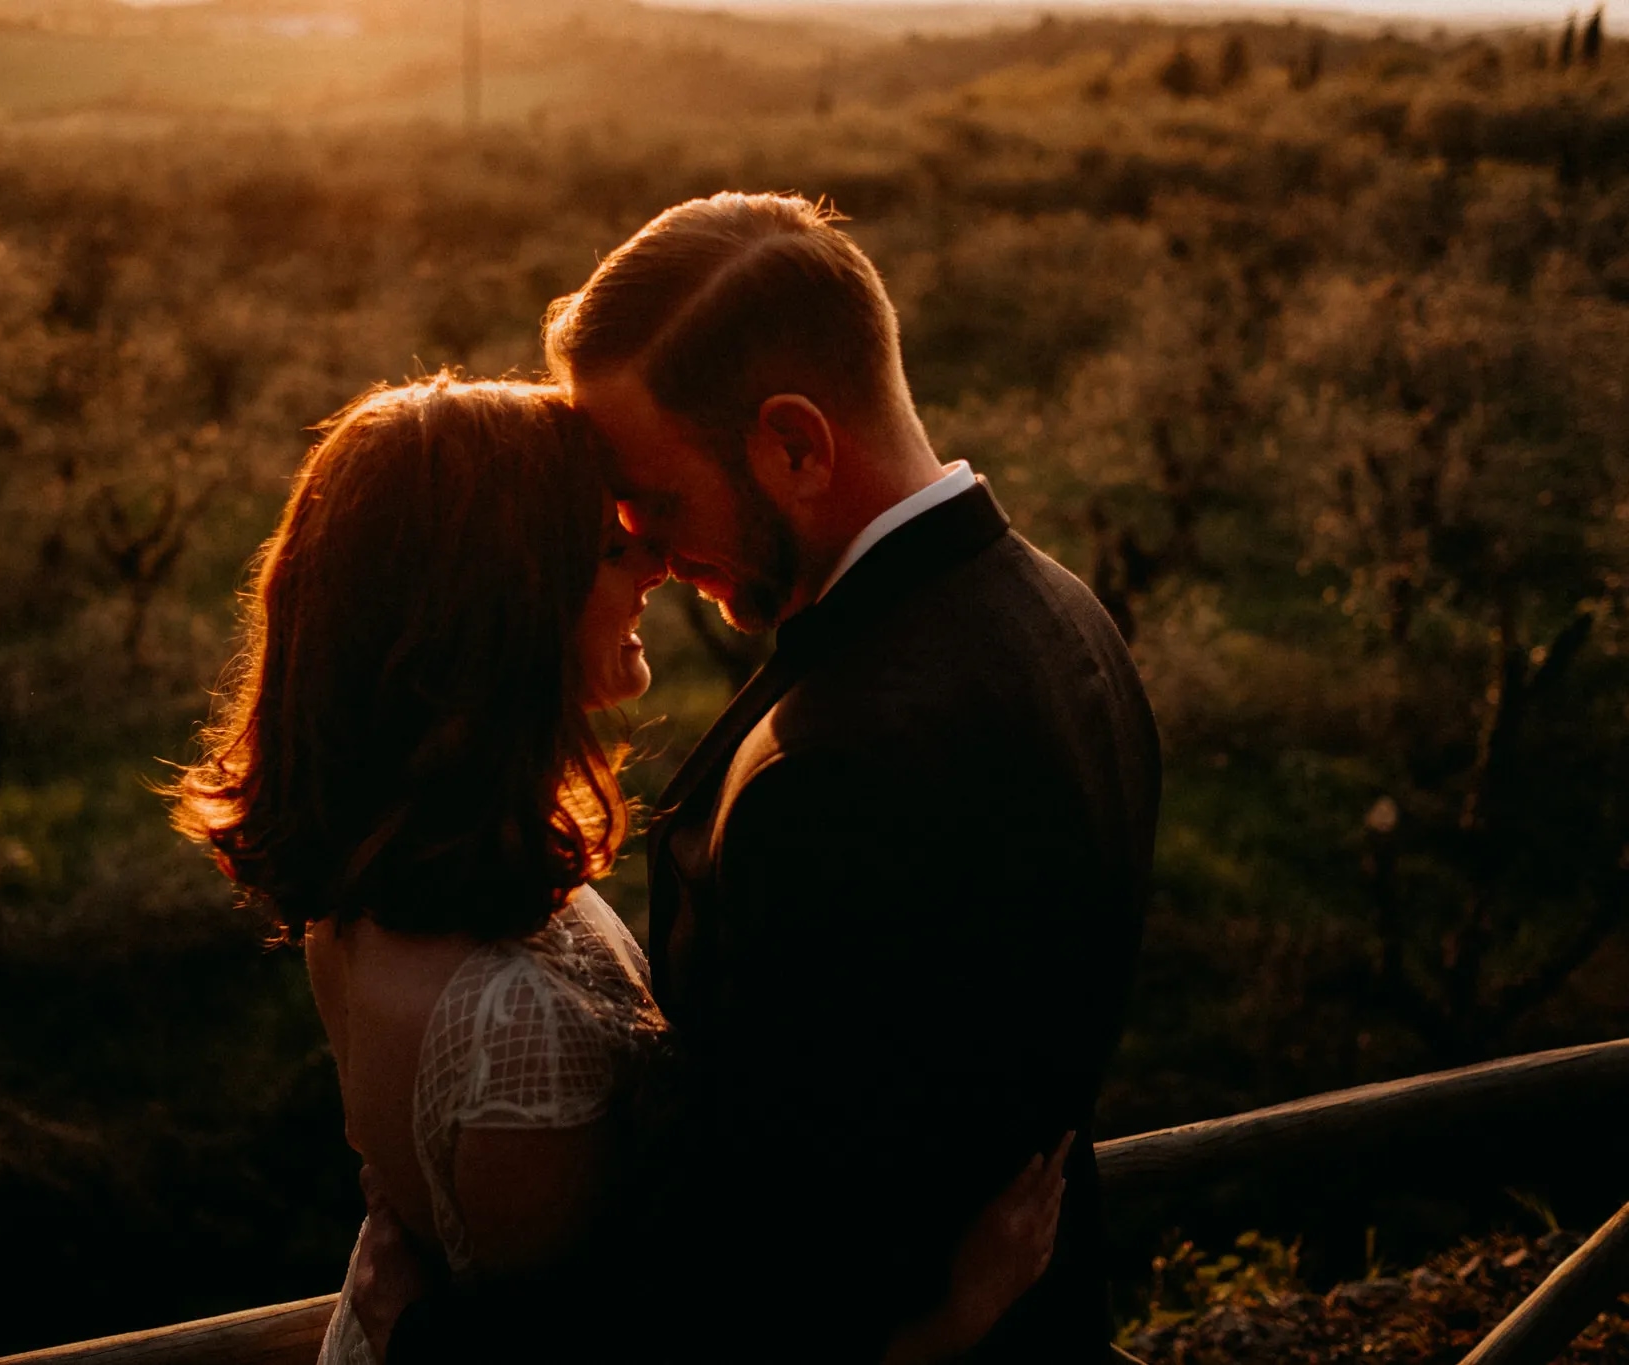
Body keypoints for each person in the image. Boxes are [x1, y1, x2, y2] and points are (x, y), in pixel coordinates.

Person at [357, 196, 1162, 1363]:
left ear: (794, 443)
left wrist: (435, 1344)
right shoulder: (1064, 613)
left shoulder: (831, 772)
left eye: (663, 502)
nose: (657, 554)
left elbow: (761, 1274)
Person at [171, 376, 1071, 1365]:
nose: (654, 564)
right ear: (496, 609)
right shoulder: (514, 1030)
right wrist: (945, 1326)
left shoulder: (399, 874)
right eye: (607, 547)